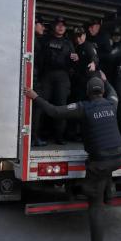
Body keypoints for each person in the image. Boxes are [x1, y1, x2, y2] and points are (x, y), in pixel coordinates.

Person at [25, 72, 121, 241]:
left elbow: (54, 111)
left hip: (101, 162)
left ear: (88, 92)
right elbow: (115, 93)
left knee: (94, 206)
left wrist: (35, 97)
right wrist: (106, 79)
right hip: (120, 157)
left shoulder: (83, 107)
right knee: (102, 166)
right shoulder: (111, 104)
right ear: (103, 92)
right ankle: (109, 191)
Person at [39, 16, 78, 145]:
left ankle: (59, 136)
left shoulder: (69, 43)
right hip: (47, 76)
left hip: (62, 77)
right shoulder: (45, 40)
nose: (61, 27)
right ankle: (38, 135)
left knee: (61, 106)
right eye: (58, 24)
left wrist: (75, 58)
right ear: (53, 26)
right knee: (41, 105)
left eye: (63, 25)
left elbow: (74, 63)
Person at [32, 17, 48, 147]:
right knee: (38, 107)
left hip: (33, 77)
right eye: (41, 25)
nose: (43, 28)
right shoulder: (34, 40)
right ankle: (35, 138)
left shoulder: (32, 39)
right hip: (34, 78)